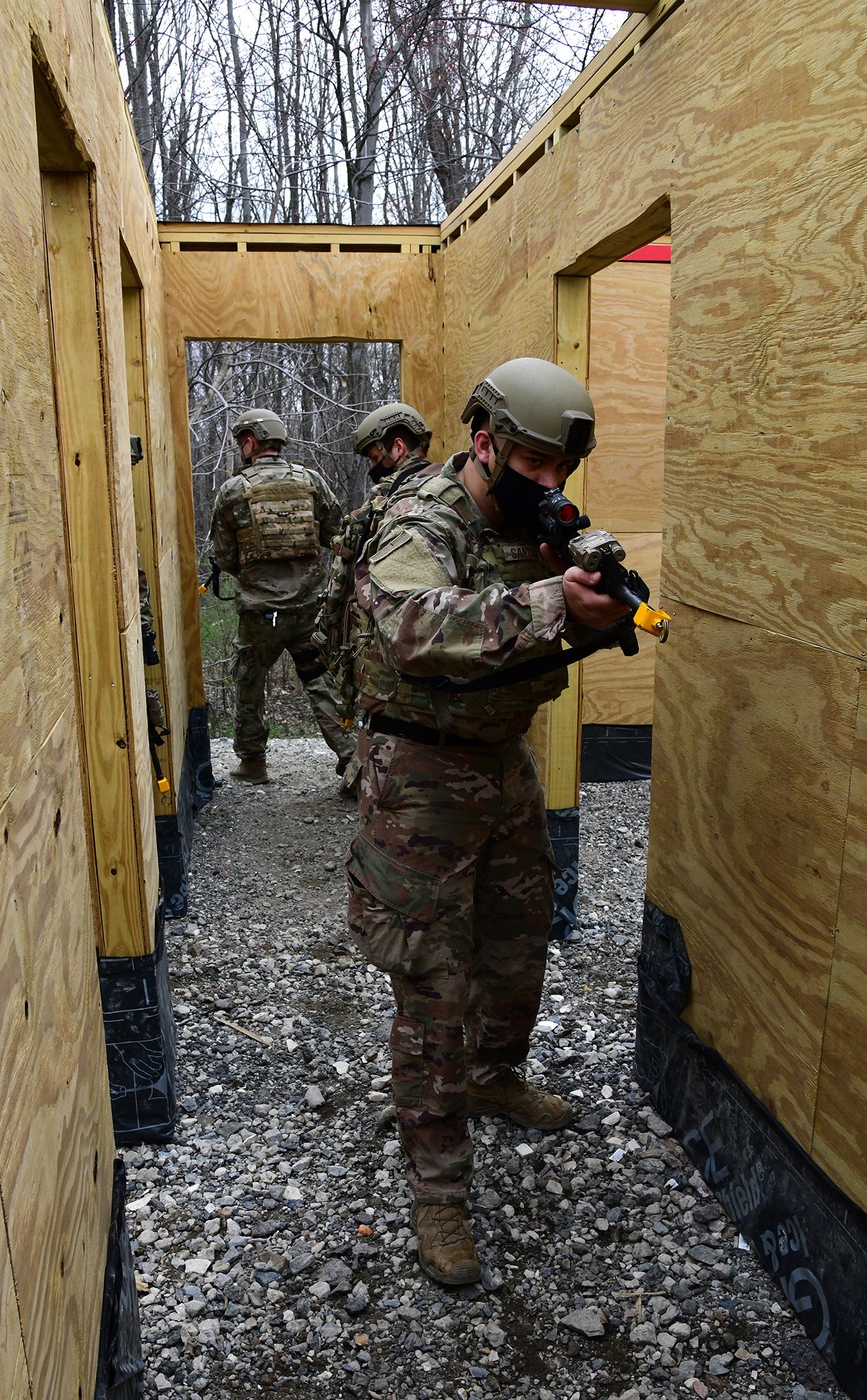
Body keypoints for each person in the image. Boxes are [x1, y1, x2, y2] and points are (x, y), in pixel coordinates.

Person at [344, 358, 631, 1285]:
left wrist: (589, 602)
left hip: (501, 765)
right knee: (435, 981)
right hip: (418, 772)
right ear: (485, 445)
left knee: (517, 943)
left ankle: (496, 1075)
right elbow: (412, 624)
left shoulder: (537, 520)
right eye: (536, 466)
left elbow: (540, 625)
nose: (551, 487)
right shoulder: (422, 517)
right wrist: (551, 603)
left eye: (562, 471)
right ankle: (439, 1191)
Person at [210, 408, 357, 786]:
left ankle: (253, 763)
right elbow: (337, 536)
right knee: (320, 680)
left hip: (261, 617)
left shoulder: (233, 491)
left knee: (249, 681)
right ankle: (355, 761)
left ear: (250, 442)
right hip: (308, 611)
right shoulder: (311, 481)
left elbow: (225, 557)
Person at [316, 403, 440, 737]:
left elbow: (349, 583)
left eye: (374, 458)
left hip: (389, 659)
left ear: (397, 447)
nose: (373, 469)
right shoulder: (456, 490)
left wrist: (331, 633)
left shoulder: (390, 504)